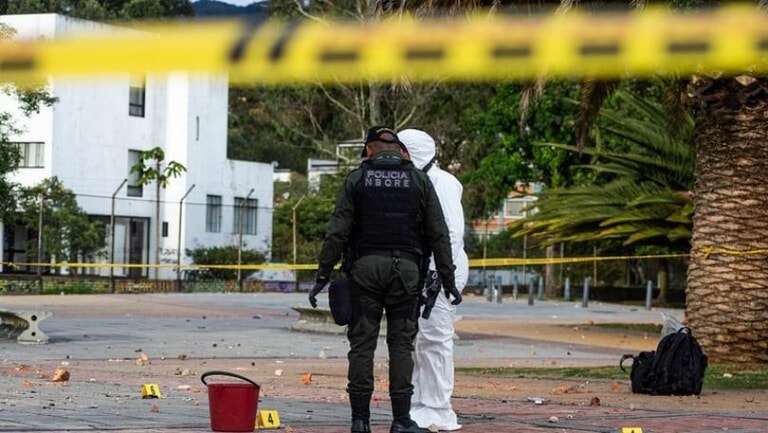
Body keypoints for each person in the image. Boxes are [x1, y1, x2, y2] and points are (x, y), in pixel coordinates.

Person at [309, 126, 462, 433]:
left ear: (369, 150)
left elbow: (337, 232)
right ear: (400, 150)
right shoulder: (419, 180)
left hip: (365, 271)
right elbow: (439, 234)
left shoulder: (356, 179)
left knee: (362, 346)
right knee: (401, 346)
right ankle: (401, 421)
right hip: (406, 273)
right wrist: (448, 279)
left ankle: (360, 421)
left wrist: (323, 274)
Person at [398, 129, 469, 432]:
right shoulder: (415, 182)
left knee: (436, 338)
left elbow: (451, 233)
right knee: (419, 340)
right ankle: (420, 403)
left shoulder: (443, 183)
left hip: (440, 271)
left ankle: (439, 408)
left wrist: (439, 273)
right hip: (425, 271)